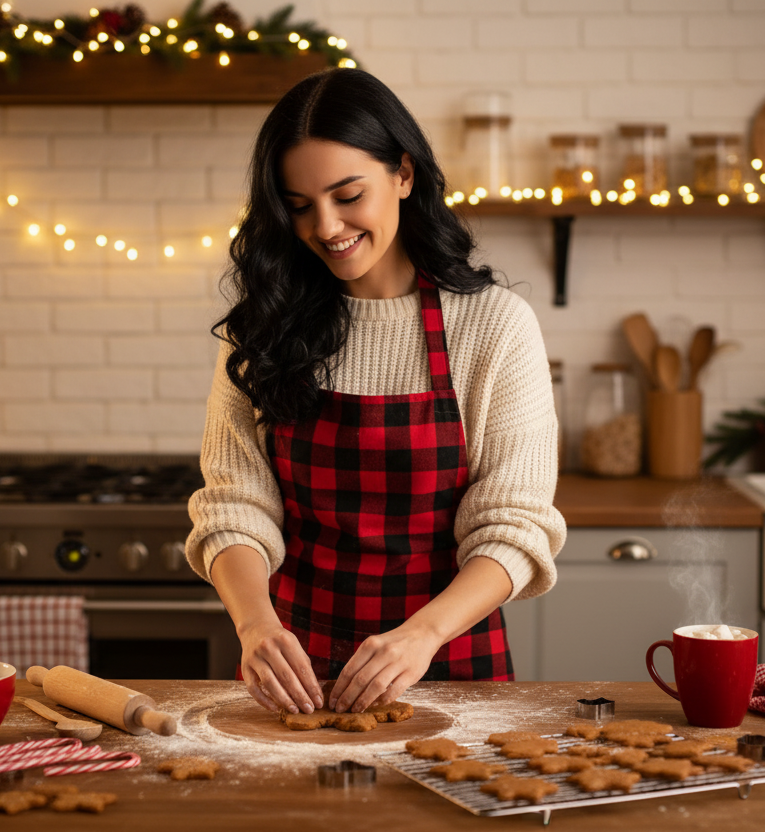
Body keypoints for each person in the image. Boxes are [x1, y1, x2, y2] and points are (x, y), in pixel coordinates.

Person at [185, 68, 565, 718]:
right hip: (291, 670)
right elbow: (236, 507)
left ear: (404, 175)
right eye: (298, 205)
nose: (325, 226)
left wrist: (421, 635)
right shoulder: (264, 326)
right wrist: (254, 626)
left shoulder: (493, 325)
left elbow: (514, 523)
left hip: (451, 665)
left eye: (347, 194)